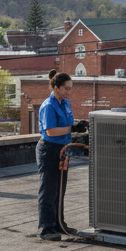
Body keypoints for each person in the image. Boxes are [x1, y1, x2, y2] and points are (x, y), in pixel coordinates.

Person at [36, 69, 75, 241]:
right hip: (49, 149)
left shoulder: (65, 103)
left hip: (63, 149)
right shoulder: (48, 106)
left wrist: (77, 126)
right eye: (66, 88)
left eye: (70, 88)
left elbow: (70, 123)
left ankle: (59, 223)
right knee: (49, 190)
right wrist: (71, 129)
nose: (69, 92)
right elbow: (50, 131)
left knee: (60, 189)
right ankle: (46, 228)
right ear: (56, 88)